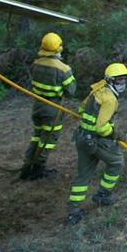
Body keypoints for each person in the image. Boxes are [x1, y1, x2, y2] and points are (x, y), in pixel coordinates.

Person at [67, 63, 127, 225]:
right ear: (111, 80)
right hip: (97, 140)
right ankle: (103, 194)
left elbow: (81, 109)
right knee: (116, 162)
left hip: (82, 138)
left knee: (83, 175)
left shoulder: (97, 90)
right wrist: (115, 134)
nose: (123, 82)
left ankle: (73, 212)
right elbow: (101, 127)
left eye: (124, 78)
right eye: (120, 79)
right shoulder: (110, 98)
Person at [20, 32, 76, 180]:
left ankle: (27, 166)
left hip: (37, 105)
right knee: (48, 139)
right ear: (59, 48)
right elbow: (71, 91)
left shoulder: (35, 64)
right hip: (53, 108)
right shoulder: (64, 69)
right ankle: (38, 169)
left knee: (37, 136)